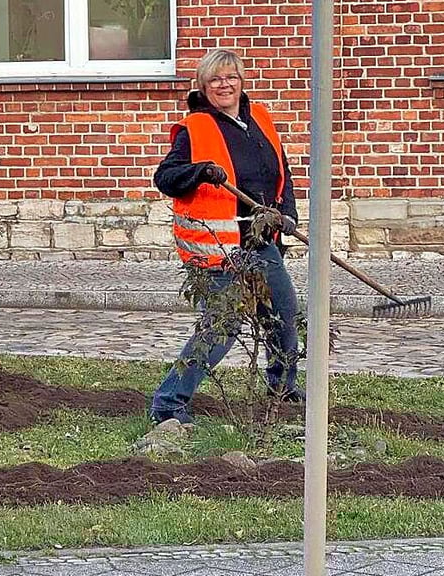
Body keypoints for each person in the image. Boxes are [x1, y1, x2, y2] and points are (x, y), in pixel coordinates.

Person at [150, 48, 304, 425]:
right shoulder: (195, 128)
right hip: (220, 250)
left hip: (260, 241)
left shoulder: (261, 120)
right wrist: (200, 170)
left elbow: (281, 174)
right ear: (204, 86)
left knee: (283, 315)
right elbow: (165, 178)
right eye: (215, 78)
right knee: (222, 329)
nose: (224, 84)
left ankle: (283, 387)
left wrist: (286, 214)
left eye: (231, 76)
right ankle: (168, 404)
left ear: (242, 81)